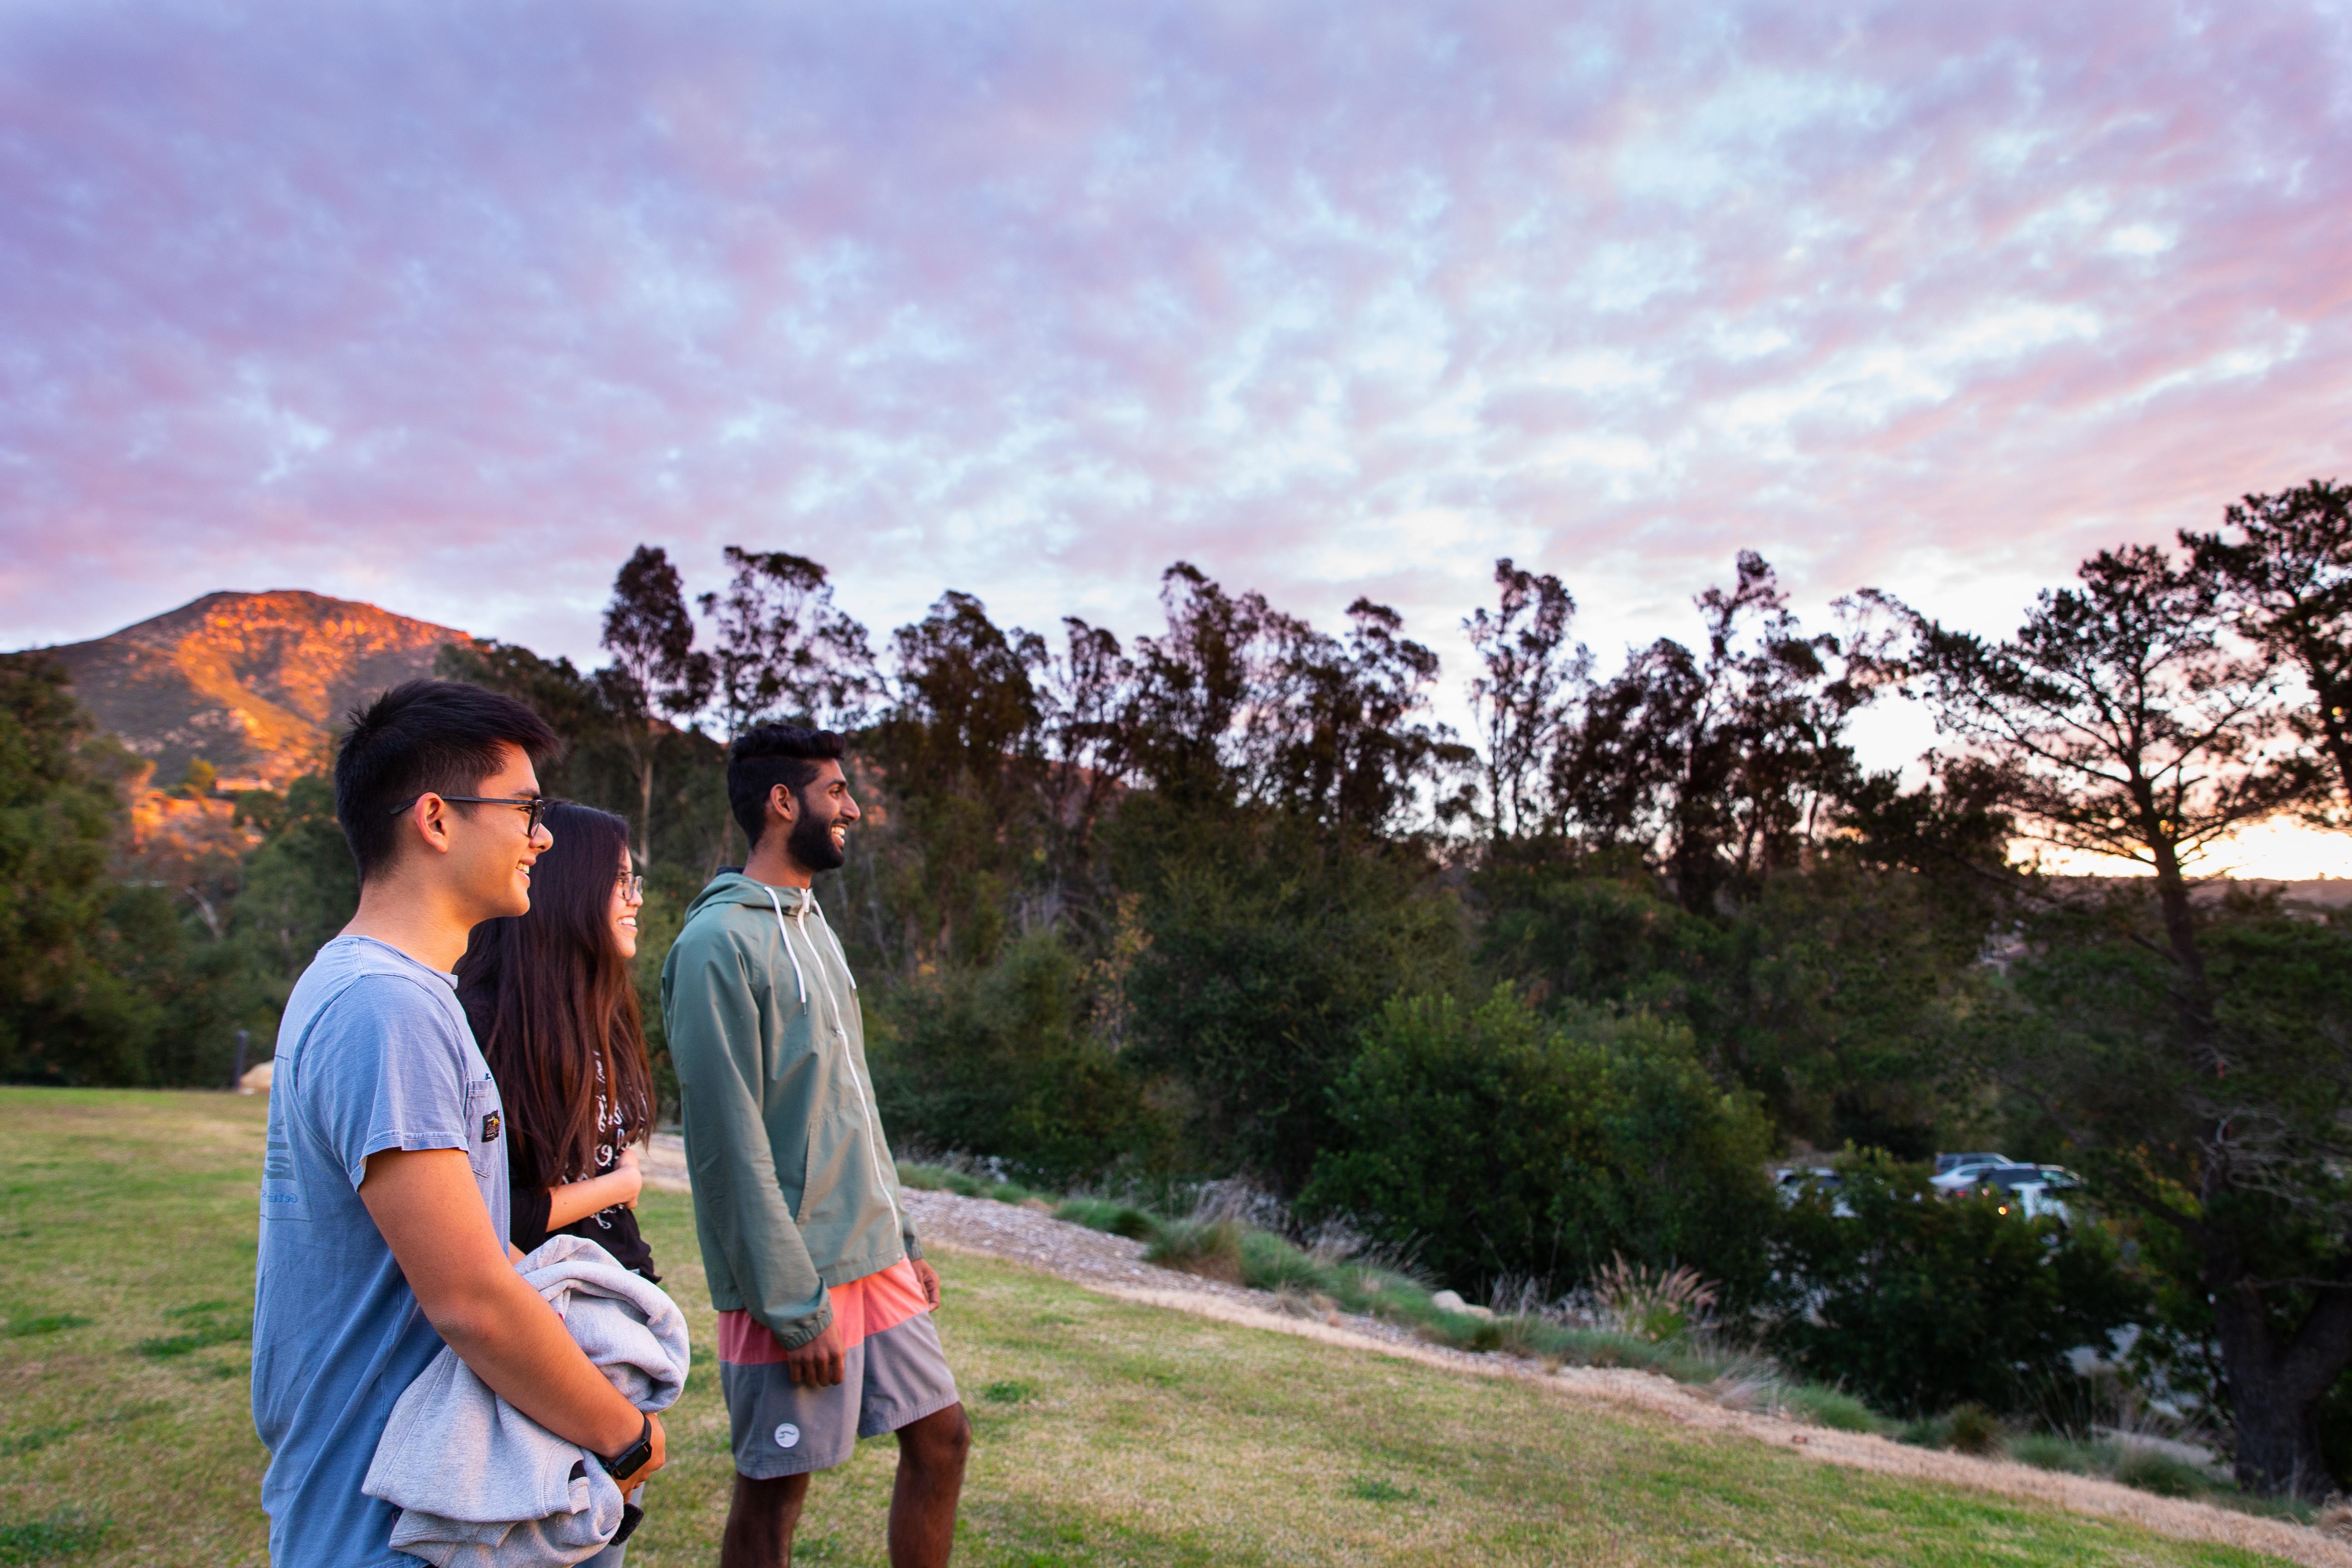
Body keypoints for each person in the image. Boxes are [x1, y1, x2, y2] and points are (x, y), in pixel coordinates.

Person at [252, 681, 666, 1568]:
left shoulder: (396, 996)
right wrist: (625, 1438)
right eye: (524, 808)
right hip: (387, 1521)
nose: (542, 837)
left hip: (421, 1501)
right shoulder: (385, 1008)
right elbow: (471, 1299)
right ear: (436, 820)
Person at [664, 724, 970, 1568]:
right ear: (781, 802)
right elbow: (728, 1145)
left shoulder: (815, 926)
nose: (854, 809)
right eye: (837, 792)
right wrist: (793, 1304)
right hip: (791, 1274)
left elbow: (850, 1101)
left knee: (942, 1440)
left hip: (870, 1256)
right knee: (775, 1489)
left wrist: (900, 1239)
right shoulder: (713, 946)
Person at [457, 801, 660, 1283]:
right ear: (568, 887)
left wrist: (619, 1168)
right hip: (548, 1303)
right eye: (619, 881)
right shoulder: (483, 1025)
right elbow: (492, 1218)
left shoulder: (605, 1014)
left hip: (624, 1287)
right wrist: (621, 1184)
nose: (636, 899)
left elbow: (607, 1151)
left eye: (634, 883)